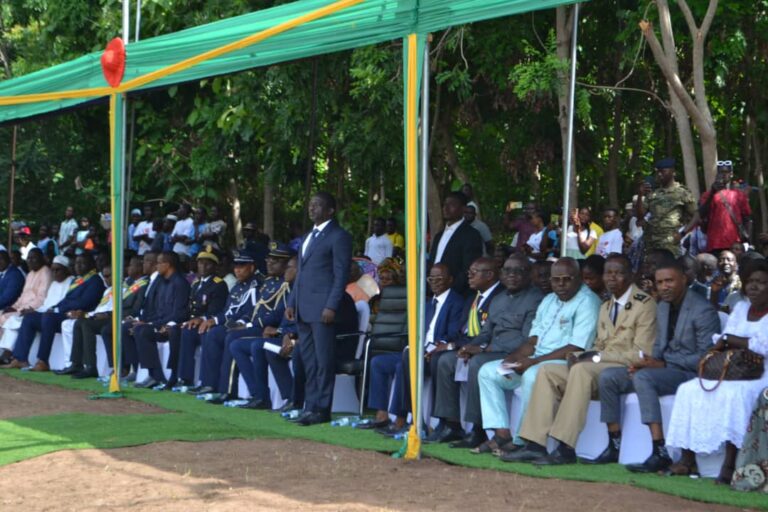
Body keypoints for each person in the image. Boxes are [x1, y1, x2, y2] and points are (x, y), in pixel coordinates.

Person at [519, 254, 657, 465]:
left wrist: (597, 357)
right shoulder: (606, 306)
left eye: (619, 273)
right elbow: (599, 345)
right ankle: (535, 444)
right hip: (600, 366)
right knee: (548, 371)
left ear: (631, 275)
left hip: (626, 369)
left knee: (582, 371)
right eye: (608, 273)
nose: (612, 278)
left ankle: (565, 447)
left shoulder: (644, 305)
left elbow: (641, 353)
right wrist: (578, 356)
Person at [595, 260, 720, 473]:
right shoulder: (662, 307)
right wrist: (646, 363)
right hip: (665, 368)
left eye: (669, 281)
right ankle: (614, 444)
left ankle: (659, 450)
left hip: (691, 373)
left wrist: (661, 365)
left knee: (644, 379)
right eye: (660, 282)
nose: (664, 286)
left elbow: (706, 357)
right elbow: (660, 345)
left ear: (684, 279)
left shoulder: (703, 310)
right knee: (609, 376)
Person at [479, 257, 601, 460]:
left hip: (563, 363)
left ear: (579, 278)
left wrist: (533, 362)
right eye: (556, 280)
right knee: (488, 371)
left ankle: (523, 441)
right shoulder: (549, 299)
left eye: (566, 279)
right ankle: (501, 434)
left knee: (533, 375)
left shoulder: (588, 302)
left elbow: (577, 347)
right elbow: (533, 339)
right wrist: (514, 358)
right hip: (536, 358)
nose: (560, 285)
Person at [667, 259, 768, 483]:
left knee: (736, 395)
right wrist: (726, 343)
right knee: (689, 389)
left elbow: (763, 346)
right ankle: (687, 458)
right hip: (735, 368)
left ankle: (730, 465)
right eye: (750, 281)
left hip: (762, 374)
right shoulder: (741, 308)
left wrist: (732, 340)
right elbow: (725, 338)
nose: (753, 286)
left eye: (761, 282)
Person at [428, 255, 543, 448]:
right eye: (507, 271)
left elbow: (526, 339)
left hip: (513, 353)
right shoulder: (499, 299)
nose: (512, 275)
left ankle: (478, 429)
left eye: (518, 271)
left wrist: (482, 348)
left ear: (528, 274)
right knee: (447, 360)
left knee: (478, 362)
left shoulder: (536, 299)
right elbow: (486, 332)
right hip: (491, 349)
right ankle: (451, 423)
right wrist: (467, 347)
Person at [364, 263, 464, 437]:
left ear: (450, 280)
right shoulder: (428, 303)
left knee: (407, 361)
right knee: (378, 363)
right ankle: (382, 416)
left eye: (439, 278)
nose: (434, 282)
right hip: (418, 351)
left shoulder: (456, 302)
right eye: (431, 278)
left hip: (435, 355)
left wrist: (430, 348)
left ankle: (402, 419)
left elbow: (453, 334)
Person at [285, 191, 352, 426]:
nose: (311, 209)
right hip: (303, 307)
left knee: (324, 361)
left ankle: (322, 409)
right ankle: (310, 406)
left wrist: (331, 305)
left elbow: (341, 274)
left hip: (323, 309)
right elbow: (301, 274)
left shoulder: (338, 236)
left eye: (317, 205)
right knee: (309, 361)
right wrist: (292, 301)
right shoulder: (307, 237)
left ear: (330, 210)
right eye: (310, 204)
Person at [202, 243, 293, 403]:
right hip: (254, 326)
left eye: (276, 261)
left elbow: (279, 313)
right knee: (219, 333)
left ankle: (229, 390)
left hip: (266, 329)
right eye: (269, 260)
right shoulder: (269, 282)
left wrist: (248, 324)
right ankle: (222, 387)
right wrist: (238, 323)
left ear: (287, 264)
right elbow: (254, 309)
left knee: (232, 338)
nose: (270, 263)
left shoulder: (285, 285)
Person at [5, 253, 105, 371]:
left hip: (78, 315)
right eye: (77, 263)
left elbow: (84, 302)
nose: (78, 266)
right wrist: (55, 307)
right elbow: (66, 300)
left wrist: (58, 309)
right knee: (30, 318)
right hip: (64, 313)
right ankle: (20, 358)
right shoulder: (79, 280)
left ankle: (43, 361)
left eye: (82, 263)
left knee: (49, 318)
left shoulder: (95, 281)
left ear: (92, 265)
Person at [179, 251, 260, 391]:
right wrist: (214, 320)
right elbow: (227, 311)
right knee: (207, 331)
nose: (237, 270)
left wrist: (217, 321)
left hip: (244, 326)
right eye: (236, 267)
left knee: (215, 333)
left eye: (242, 266)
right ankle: (205, 383)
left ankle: (224, 388)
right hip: (230, 323)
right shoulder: (237, 287)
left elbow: (251, 311)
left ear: (252, 268)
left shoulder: (256, 286)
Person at [230, 251, 298, 409]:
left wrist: (281, 331)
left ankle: (271, 397)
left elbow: (285, 316)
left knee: (256, 344)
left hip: (289, 337)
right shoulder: (272, 284)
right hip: (273, 331)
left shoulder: (293, 289)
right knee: (235, 344)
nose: (286, 271)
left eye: (289, 267)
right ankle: (258, 395)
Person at [129, 251, 191, 388]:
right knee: (139, 329)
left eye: (159, 263)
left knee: (143, 331)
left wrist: (153, 324)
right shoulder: (163, 283)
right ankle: (155, 375)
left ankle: (169, 377)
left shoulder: (180, 283)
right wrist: (148, 322)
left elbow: (179, 313)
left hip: (174, 325)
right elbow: (158, 311)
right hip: (160, 324)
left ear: (167, 265)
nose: (156, 266)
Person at [56, 264, 116, 379]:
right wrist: (85, 314)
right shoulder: (108, 290)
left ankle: (91, 366)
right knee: (79, 322)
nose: (106, 279)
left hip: (111, 318)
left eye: (109, 276)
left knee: (85, 324)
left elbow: (123, 310)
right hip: (100, 317)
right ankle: (76, 363)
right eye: (105, 276)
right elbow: (99, 309)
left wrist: (107, 314)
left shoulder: (122, 289)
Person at [637, 158, 698, 257]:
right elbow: (640, 216)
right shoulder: (653, 194)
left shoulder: (682, 192)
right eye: (658, 172)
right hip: (651, 243)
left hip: (671, 243)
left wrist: (683, 233)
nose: (660, 174)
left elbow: (696, 216)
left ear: (673, 172)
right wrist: (640, 195)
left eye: (663, 171)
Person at [0, 249, 52, 365]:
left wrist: (23, 309)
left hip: (33, 309)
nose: (30, 261)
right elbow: (22, 297)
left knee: (11, 319)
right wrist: (13, 307)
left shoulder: (46, 272)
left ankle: (7, 354)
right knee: (3, 315)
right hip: (21, 308)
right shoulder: (30, 274)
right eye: (29, 258)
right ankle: (5, 353)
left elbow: (41, 299)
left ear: (42, 258)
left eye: (34, 258)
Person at [427, 191, 484, 296]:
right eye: (444, 204)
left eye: (452, 205)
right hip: (434, 292)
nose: (446, 208)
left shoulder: (471, 235)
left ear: (463, 209)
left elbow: (469, 268)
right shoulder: (439, 235)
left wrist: (450, 291)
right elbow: (432, 261)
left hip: (456, 294)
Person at [699, 161, 751, 252]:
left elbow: (746, 218)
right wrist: (712, 193)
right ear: (717, 174)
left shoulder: (739, 195)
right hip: (714, 243)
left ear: (731, 174)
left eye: (726, 172)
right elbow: (701, 214)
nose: (723, 175)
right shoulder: (707, 195)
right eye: (720, 172)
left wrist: (746, 241)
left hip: (735, 244)